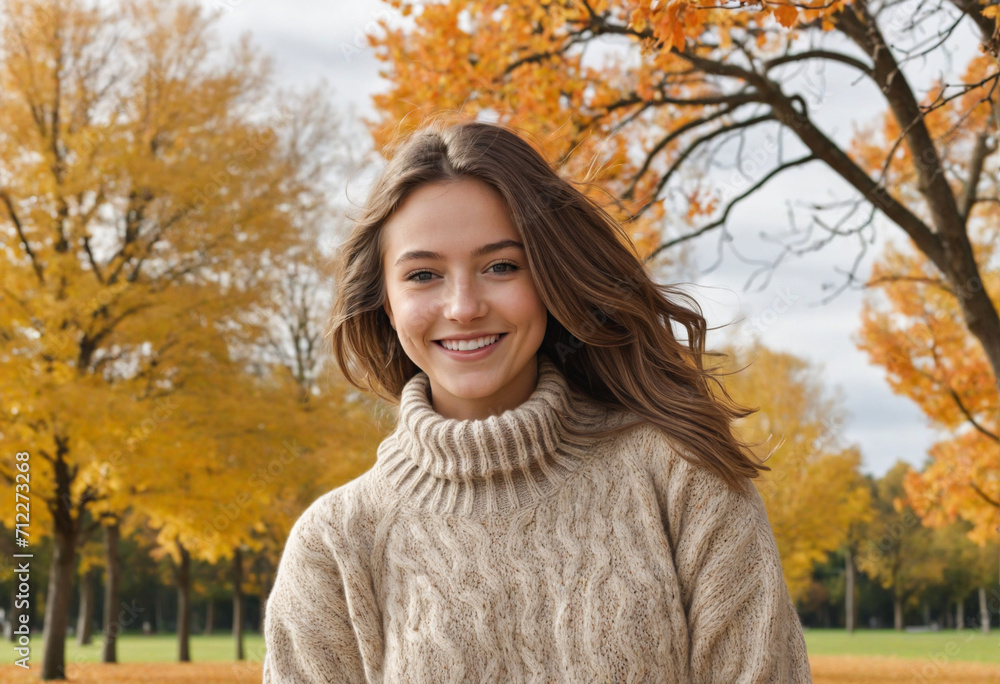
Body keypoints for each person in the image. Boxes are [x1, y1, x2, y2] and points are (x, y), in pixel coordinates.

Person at [262, 119, 812, 683]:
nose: (463, 306)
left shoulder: (682, 480)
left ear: (550, 275)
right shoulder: (334, 546)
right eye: (423, 274)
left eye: (501, 266)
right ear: (384, 301)